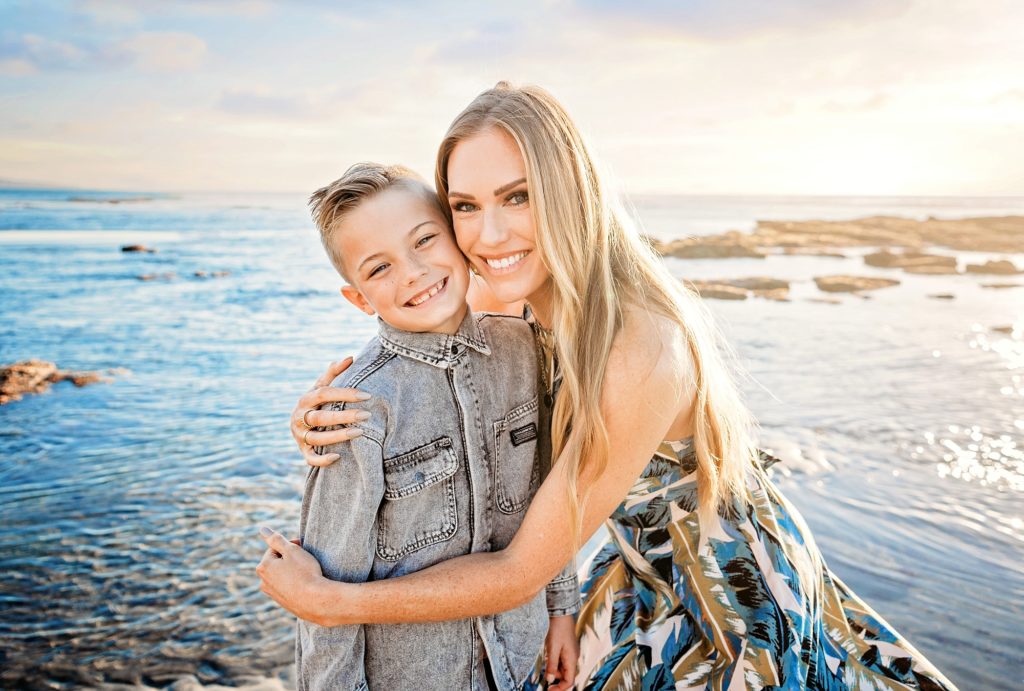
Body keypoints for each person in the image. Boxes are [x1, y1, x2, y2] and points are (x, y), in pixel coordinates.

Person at [259, 83, 956, 690]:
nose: (488, 233)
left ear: (567, 190)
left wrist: (331, 602)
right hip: (623, 561)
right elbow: (423, 360)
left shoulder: (639, 346)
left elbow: (517, 570)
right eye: (465, 206)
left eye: (517, 196)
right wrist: (331, 414)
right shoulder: (508, 293)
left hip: (720, 585)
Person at [278, 161, 580, 691]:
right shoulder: (358, 409)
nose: (413, 271)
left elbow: (546, 498)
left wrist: (561, 611)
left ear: (457, 241)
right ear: (357, 298)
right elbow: (323, 599)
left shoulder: (526, 351)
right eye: (379, 269)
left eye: (424, 240)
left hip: (516, 659)